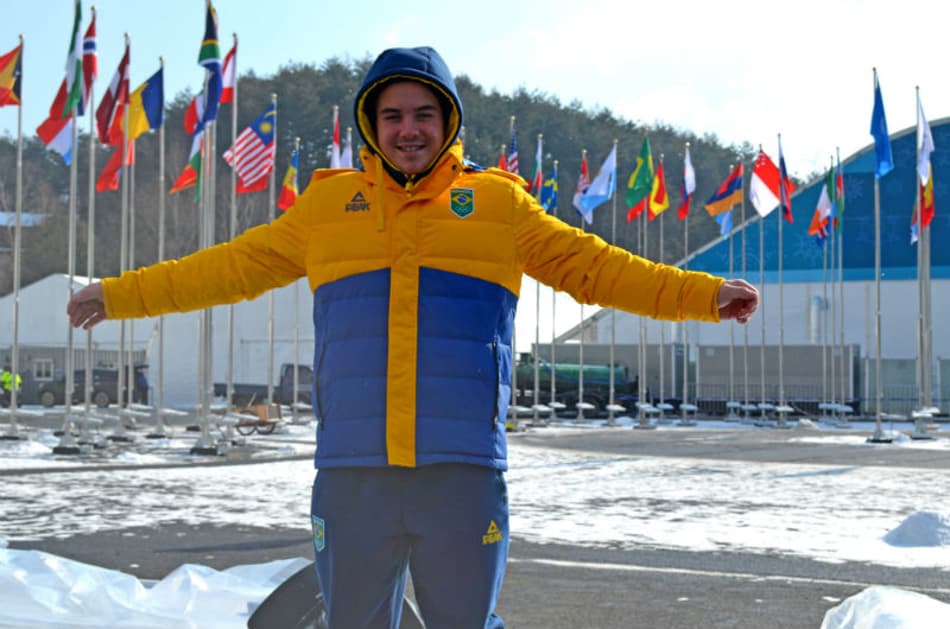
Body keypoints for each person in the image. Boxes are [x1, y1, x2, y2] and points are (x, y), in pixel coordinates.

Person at [68, 46, 759, 629]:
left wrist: (701, 294)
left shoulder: (498, 206)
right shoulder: (327, 208)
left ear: (448, 121)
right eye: (393, 114)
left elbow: (599, 267)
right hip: (354, 475)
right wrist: (118, 293)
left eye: (424, 114)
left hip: (460, 472)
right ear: (372, 122)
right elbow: (223, 270)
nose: (408, 129)